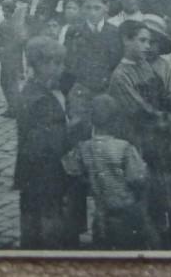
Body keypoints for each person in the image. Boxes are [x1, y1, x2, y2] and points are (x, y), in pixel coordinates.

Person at [109, 20, 171, 247]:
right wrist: (164, 118)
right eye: (141, 40)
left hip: (157, 138)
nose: (147, 46)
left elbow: (161, 95)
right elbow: (139, 108)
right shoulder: (121, 75)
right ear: (125, 40)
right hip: (138, 139)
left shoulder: (145, 66)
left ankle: (164, 233)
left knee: (162, 190)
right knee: (143, 191)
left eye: (149, 41)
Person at [62, 94, 151, 250]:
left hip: (101, 214)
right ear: (116, 120)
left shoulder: (84, 148)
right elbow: (137, 177)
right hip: (126, 212)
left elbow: (71, 168)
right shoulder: (124, 148)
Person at [16, 35, 79, 249]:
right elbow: (48, 140)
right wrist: (71, 129)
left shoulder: (35, 91)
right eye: (58, 64)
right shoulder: (42, 100)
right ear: (43, 65)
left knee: (32, 212)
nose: (61, 69)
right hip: (46, 169)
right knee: (47, 214)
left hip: (30, 167)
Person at [64, 0, 122, 128]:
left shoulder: (114, 32)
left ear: (106, 8)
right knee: (80, 127)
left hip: (106, 90)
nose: (92, 13)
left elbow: (117, 62)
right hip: (81, 90)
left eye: (97, 8)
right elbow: (68, 62)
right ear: (82, 9)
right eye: (88, 8)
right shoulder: (74, 31)